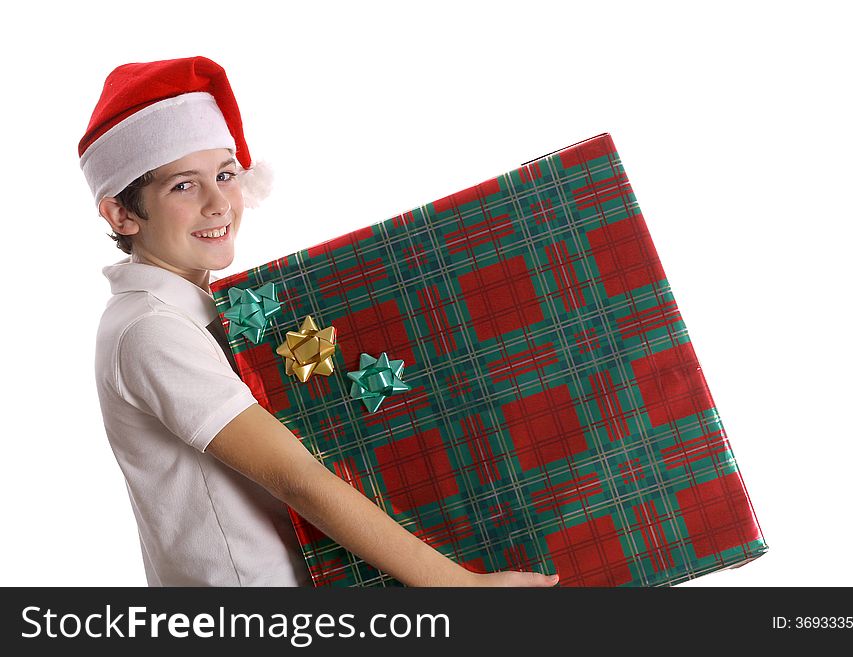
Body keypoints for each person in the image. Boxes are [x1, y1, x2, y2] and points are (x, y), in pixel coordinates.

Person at [83, 56, 559, 587]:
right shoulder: (151, 329)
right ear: (122, 215)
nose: (219, 203)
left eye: (224, 174)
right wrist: (457, 586)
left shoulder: (202, 309)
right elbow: (298, 478)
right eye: (183, 186)